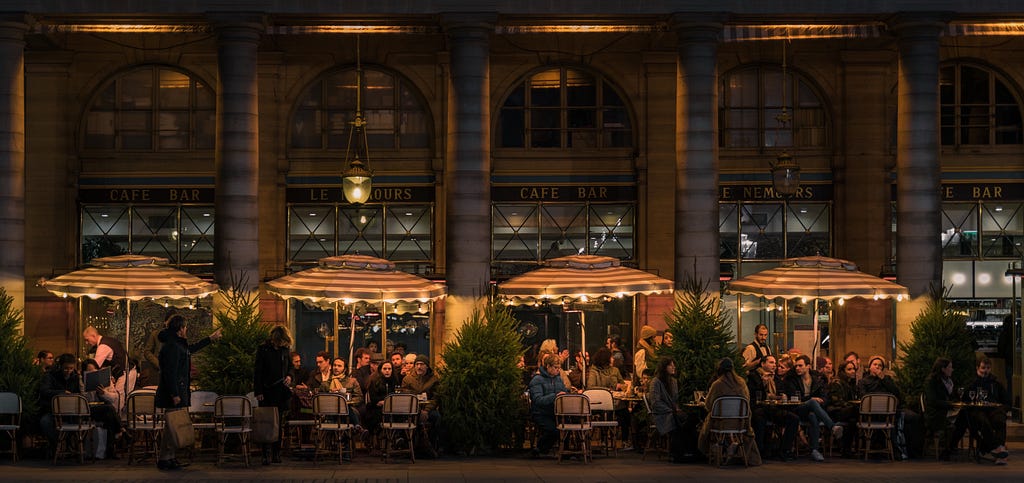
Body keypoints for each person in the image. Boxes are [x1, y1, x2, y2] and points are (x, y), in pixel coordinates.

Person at [155, 315, 221, 471]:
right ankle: (165, 458)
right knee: (172, 427)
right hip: (173, 394)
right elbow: (170, 372)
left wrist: (210, 339)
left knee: (172, 427)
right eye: (185, 327)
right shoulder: (172, 346)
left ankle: (169, 458)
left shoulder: (177, 344)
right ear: (180, 329)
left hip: (178, 391)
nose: (186, 330)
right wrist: (174, 394)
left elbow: (189, 350)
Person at [39, 353, 125, 460]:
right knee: (45, 422)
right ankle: (58, 446)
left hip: (75, 410)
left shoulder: (75, 377)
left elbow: (81, 394)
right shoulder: (51, 376)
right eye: (66, 368)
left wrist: (99, 393)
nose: (68, 371)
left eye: (71, 368)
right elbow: (44, 391)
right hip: (55, 412)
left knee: (108, 409)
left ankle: (114, 440)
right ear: (60, 366)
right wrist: (62, 392)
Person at [699, 358, 761, 466]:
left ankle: (716, 452)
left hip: (720, 423)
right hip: (740, 423)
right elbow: (747, 401)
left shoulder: (717, 384)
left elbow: (709, 406)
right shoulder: (741, 383)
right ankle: (733, 446)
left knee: (706, 424)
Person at [781, 355, 842, 462]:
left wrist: (821, 400)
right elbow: (793, 398)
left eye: (800, 366)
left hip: (813, 410)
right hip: (797, 409)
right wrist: (811, 399)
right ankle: (832, 426)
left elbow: (825, 397)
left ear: (808, 366)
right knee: (813, 402)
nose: (797, 368)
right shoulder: (792, 379)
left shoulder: (817, 379)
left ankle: (814, 450)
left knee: (813, 415)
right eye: (796, 366)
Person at [746, 354, 799, 460]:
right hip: (759, 408)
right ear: (762, 364)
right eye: (771, 362)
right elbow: (754, 395)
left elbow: (781, 392)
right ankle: (760, 451)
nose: (774, 365)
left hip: (774, 409)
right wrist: (763, 384)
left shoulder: (776, 378)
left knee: (794, 418)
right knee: (759, 417)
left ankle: (784, 450)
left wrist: (781, 396)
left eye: (775, 363)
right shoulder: (754, 376)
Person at [253, 325, 293, 465]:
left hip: (280, 391)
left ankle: (276, 452)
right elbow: (258, 371)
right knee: (266, 422)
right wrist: (258, 391)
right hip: (267, 390)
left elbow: (290, 367)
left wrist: (289, 376)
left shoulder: (285, 350)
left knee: (278, 423)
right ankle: (265, 453)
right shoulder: (263, 349)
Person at [963, 356, 1009, 464]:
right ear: (977, 368)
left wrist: (1002, 409)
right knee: (983, 421)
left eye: (988, 368)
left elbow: (1006, 400)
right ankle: (997, 450)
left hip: (993, 409)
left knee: (1000, 420)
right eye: (983, 368)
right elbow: (966, 398)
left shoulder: (995, 382)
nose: (985, 371)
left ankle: (999, 450)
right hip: (977, 410)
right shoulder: (972, 382)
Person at [650, 357, 696, 463]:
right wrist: (671, 410)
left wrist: (676, 409)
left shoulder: (674, 382)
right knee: (676, 421)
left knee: (690, 419)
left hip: (672, 412)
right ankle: (677, 453)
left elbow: (675, 400)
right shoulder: (656, 382)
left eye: (673, 364)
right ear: (664, 367)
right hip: (661, 414)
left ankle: (687, 451)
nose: (674, 367)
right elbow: (655, 402)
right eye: (671, 365)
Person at [587, 347, 631, 449]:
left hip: (616, 402)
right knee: (606, 413)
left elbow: (623, 384)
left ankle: (624, 440)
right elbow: (591, 386)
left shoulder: (615, 370)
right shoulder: (594, 371)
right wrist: (608, 390)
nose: (613, 359)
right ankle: (603, 439)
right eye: (611, 357)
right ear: (605, 358)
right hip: (600, 403)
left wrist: (621, 386)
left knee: (625, 414)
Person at [924, 358, 966, 461]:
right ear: (943, 369)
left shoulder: (949, 381)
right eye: (950, 367)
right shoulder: (931, 381)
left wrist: (957, 401)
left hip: (946, 410)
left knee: (964, 417)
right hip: (935, 414)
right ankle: (947, 449)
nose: (952, 369)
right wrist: (951, 404)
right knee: (958, 421)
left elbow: (952, 397)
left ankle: (950, 447)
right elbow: (932, 401)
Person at [528, 353, 569, 457]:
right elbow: (537, 400)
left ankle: (566, 451)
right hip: (541, 413)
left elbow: (563, 391)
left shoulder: (558, 379)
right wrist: (555, 396)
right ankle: (540, 448)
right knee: (554, 430)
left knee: (569, 425)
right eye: (556, 368)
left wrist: (567, 394)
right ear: (548, 366)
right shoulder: (537, 380)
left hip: (556, 412)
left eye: (559, 368)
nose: (558, 370)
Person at [83, 326, 129, 411]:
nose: (86, 343)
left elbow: (95, 366)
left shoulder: (103, 346)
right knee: (118, 397)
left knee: (119, 399)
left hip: (123, 372)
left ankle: (116, 417)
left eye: (87, 339)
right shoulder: (108, 341)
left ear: (93, 335)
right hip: (120, 371)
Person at [828, 360, 860, 457]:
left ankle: (847, 449)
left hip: (847, 412)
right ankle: (847, 449)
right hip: (836, 411)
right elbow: (837, 401)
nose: (852, 371)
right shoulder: (836, 383)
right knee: (856, 411)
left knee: (853, 420)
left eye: (853, 369)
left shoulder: (851, 383)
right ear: (843, 371)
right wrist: (851, 405)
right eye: (849, 369)